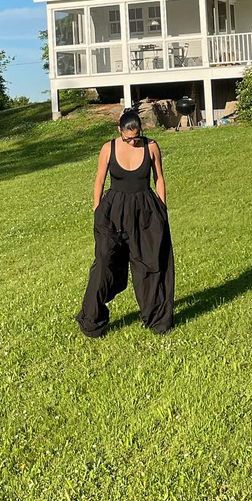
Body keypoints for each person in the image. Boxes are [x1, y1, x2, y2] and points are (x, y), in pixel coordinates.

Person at [76, 106, 175, 337]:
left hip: (145, 212)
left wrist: (162, 207)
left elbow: (159, 178)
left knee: (149, 264)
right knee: (104, 262)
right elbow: (99, 180)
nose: (132, 142)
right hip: (113, 212)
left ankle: (156, 318)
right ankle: (92, 319)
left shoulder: (151, 147)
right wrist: (97, 208)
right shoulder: (108, 148)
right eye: (128, 138)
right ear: (119, 131)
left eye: (136, 137)